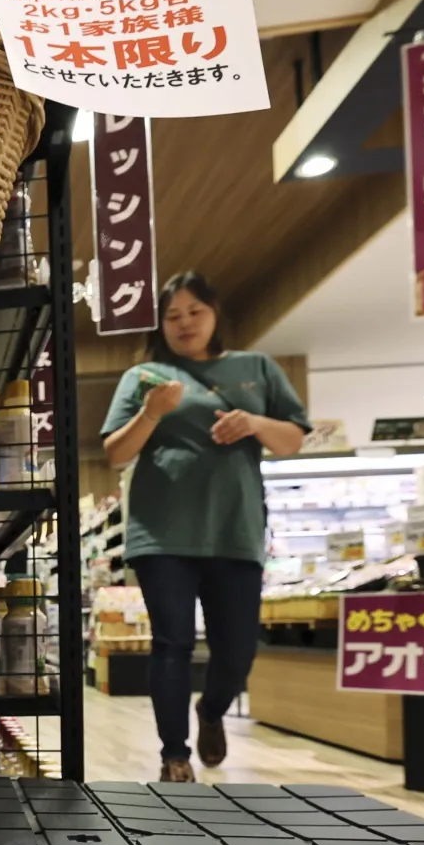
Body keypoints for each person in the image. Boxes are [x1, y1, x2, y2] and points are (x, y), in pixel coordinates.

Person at [100, 272, 309, 783]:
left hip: (235, 530)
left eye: (195, 311)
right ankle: (174, 755)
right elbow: (116, 453)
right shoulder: (145, 376)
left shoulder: (256, 369)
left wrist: (254, 423)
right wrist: (151, 413)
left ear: (215, 313)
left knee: (237, 651)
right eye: (172, 316)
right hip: (161, 532)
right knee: (171, 641)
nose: (185, 323)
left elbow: (292, 440)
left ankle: (212, 709)